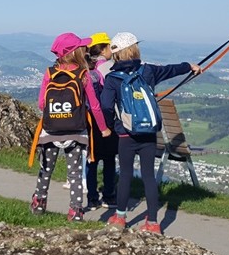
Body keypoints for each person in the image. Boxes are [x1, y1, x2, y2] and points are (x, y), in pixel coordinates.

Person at [100, 31, 201, 233]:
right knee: (148, 175)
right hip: (148, 132)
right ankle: (153, 222)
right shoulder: (148, 71)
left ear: (116, 53)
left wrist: (111, 126)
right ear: (135, 49)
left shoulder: (112, 78)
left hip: (126, 134)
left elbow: (105, 105)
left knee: (126, 174)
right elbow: (171, 70)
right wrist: (190, 66)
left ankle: (120, 218)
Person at [31, 32, 111, 221]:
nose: (85, 50)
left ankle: (39, 203)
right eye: (82, 48)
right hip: (76, 131)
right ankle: (75, 211)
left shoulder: (50, 73)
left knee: (46, 168)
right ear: (75, 52)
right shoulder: (83, 75)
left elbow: (41, 103)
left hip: (50, 130)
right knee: (75, 173)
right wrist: (103, 129)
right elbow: (95, 106)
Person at [85, 32, 119, 210]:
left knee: (92, 159)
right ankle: (109, 195)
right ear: (105, 48)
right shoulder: (110, 68)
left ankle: (92, 197)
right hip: (107, 122)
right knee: (109, 159)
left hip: (89, 122)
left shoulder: (87, 70)